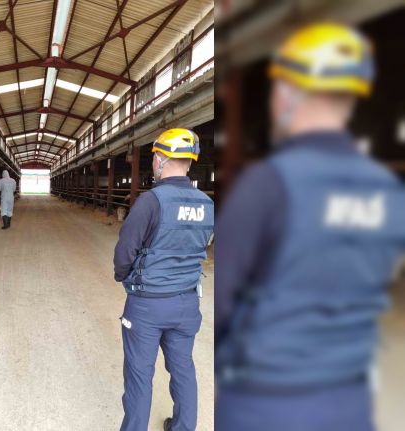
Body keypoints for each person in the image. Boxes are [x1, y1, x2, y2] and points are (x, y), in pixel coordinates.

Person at [215, 23, 405, 431]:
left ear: (287, 92)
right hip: (349, 401)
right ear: (351, 100)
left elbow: (222, 302)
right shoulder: (387, 190)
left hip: (266, 402)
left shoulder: (268, 184)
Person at [114, 128, 214, 431]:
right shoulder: (207, 204)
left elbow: (125, 251)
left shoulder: (151, 201)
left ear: (160, 159)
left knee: (139, 376)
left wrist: (123, 276)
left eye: (155, 157)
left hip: (149, 303)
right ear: (190, 161)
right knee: (183, 369)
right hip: (187, 302)